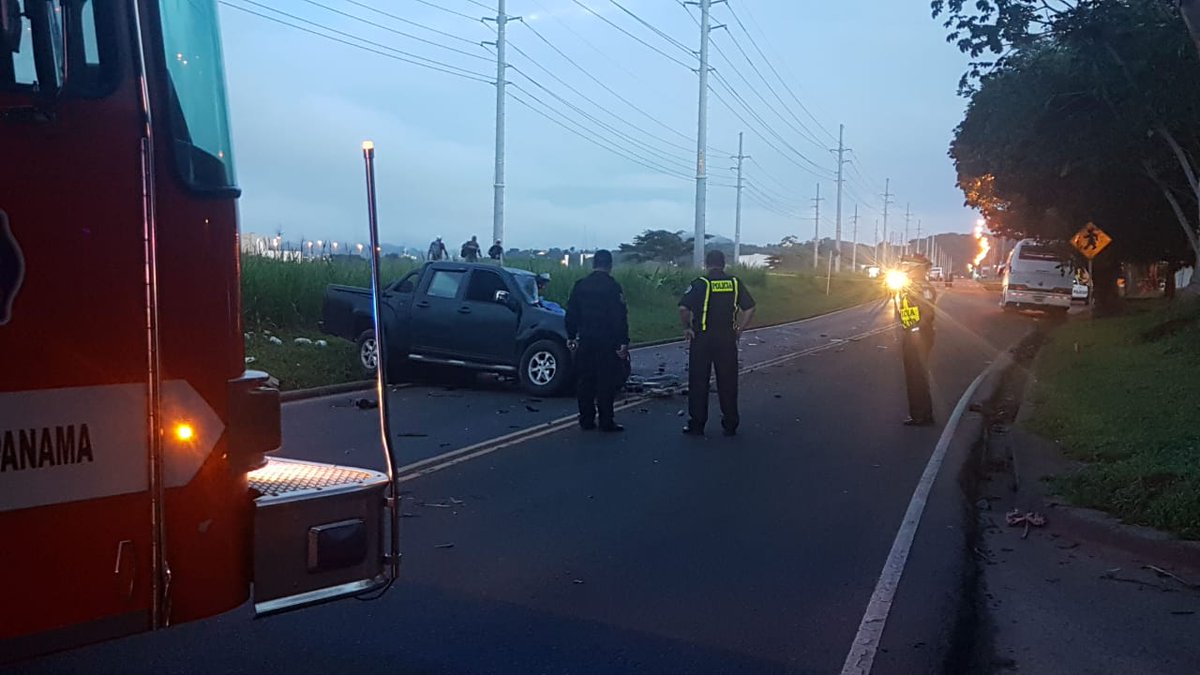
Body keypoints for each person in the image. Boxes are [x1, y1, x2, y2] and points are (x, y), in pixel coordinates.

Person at [678, 250, 756, 437]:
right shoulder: (734, 283)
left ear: (707, 264)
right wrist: (740, 329)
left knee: (698, 382)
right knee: (728, 381)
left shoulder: (699, 284)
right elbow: (750, 308)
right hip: (727, 339)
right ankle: (730, 424)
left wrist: (687, 327)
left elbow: (683, 308)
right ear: (724, 264)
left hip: (702, 339)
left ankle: (697, 424)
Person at [565, 250, 629, 433]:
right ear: (609, 265)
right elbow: (619, 316)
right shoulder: (613, 287)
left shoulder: (581, 286)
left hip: (586, 339)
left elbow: (571, 314)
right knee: (605, 382)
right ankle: (606, 420)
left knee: (585, 380)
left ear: (594, 264)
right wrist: (622, 341)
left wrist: (571, 336)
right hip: (606, 342)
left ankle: (586, 419)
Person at [894, 256, 937, 426]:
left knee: (916, 376)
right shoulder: (911, 286)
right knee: (914, 376)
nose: (906, 269)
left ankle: (921, 415)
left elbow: (927, 312)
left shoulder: (923, 287)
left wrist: (915, 330)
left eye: (909, 266)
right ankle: (921, 413)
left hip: (918, 335)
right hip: (912, 333)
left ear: (918, 268)